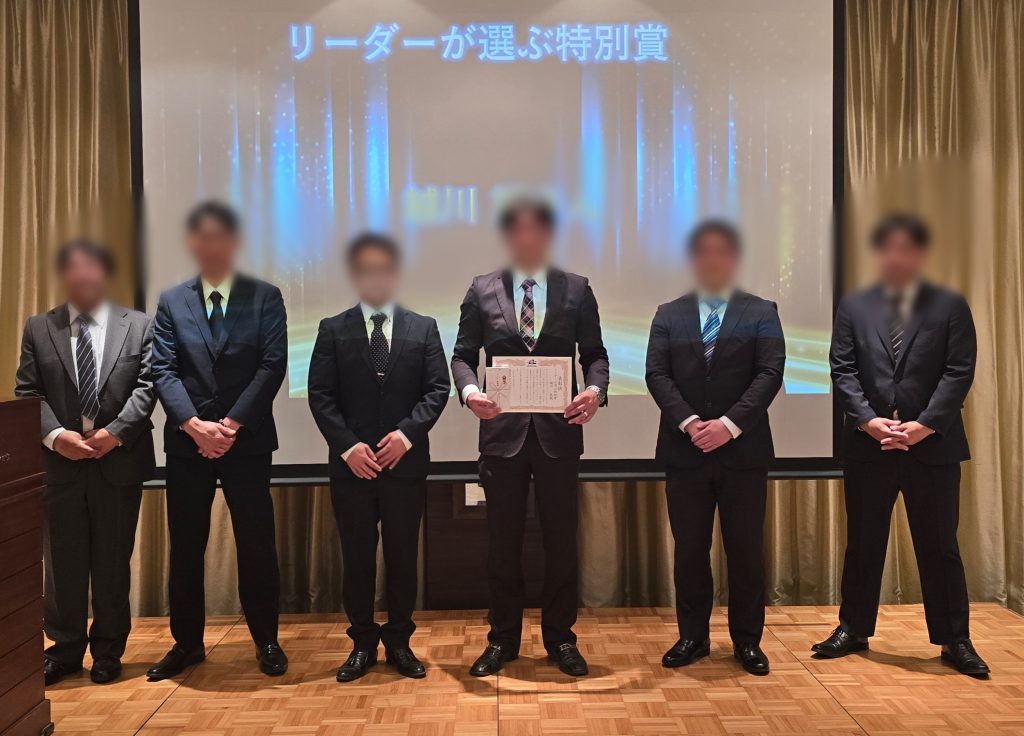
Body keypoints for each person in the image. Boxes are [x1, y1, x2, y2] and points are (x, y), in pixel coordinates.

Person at [812, 214, 988, 676]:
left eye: (906, 249)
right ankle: (853, 628)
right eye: (888, 248)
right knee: (863, 542)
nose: (896, 257)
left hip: (931, 447)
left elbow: (959, 370)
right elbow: (842, 369)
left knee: (940, 545)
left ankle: (955, 639)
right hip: (869, 446)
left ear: (921, 254)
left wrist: (924, 425)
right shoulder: (855, 306)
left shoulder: (949, 305)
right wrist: (868, 421)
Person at [451, 196, 609, 678]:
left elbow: (595, 356)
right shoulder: (481, 289)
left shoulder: (577, 289)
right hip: (502, 436)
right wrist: (470, 392)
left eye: (536, 229)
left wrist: (595, 392)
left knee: (562, 543)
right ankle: (502, 639)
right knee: (503, 544)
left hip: (560, 436)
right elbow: (462, 356)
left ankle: (561, 639)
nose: (527, 238)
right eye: (517, 230)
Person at [148, 201, 289, 679]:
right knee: (186, 547)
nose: (212, 246)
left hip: (246, 443)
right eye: (203, 238)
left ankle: (266, 640)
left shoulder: (265, 296)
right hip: (187, 446)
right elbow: (163, 369)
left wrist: (229, 426)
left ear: (235, 243)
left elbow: (272, 365)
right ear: (193, 244)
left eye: (221, 238)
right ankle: (187, 644)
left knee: (257, 545)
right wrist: (193, 425)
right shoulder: (172, 300)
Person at [307, 232, 450, 682]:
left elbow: (437, 389)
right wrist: (348, 447)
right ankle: (362, 644)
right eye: (367, 269)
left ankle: (400, 642)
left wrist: (406, 436)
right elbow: (321, 395)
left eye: (384, 268)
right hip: (352, 468)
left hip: (405, 466)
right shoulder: (333, 328)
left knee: (404, 558)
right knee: (357, 559)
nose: (376, 276)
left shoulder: (423, 327)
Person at [645, 220, 785, 676]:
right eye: (703, 251)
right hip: (684, 452)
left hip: (743, 452)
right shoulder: (668, 313)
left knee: (745, 551)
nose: (712, 259)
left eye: (722, 251)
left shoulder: (762, 311)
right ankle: (693, 637)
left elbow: (769, 374)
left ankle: (747, 641)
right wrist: (690, 424)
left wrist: (727, 425)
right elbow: (656, 375)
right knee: (690, 551)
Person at [15, 239, 156, 686]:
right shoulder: (40, 327)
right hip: (60, 464)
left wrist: (115, 434)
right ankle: (64, 650)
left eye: (92, 268)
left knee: (113, 562)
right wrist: (57, 437)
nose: (83, 276)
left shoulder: (139, 326)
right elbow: (27, 392)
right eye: (73, 269)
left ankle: (109, 651)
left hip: (119, 462)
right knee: (62, 564)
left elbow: (148, 387)